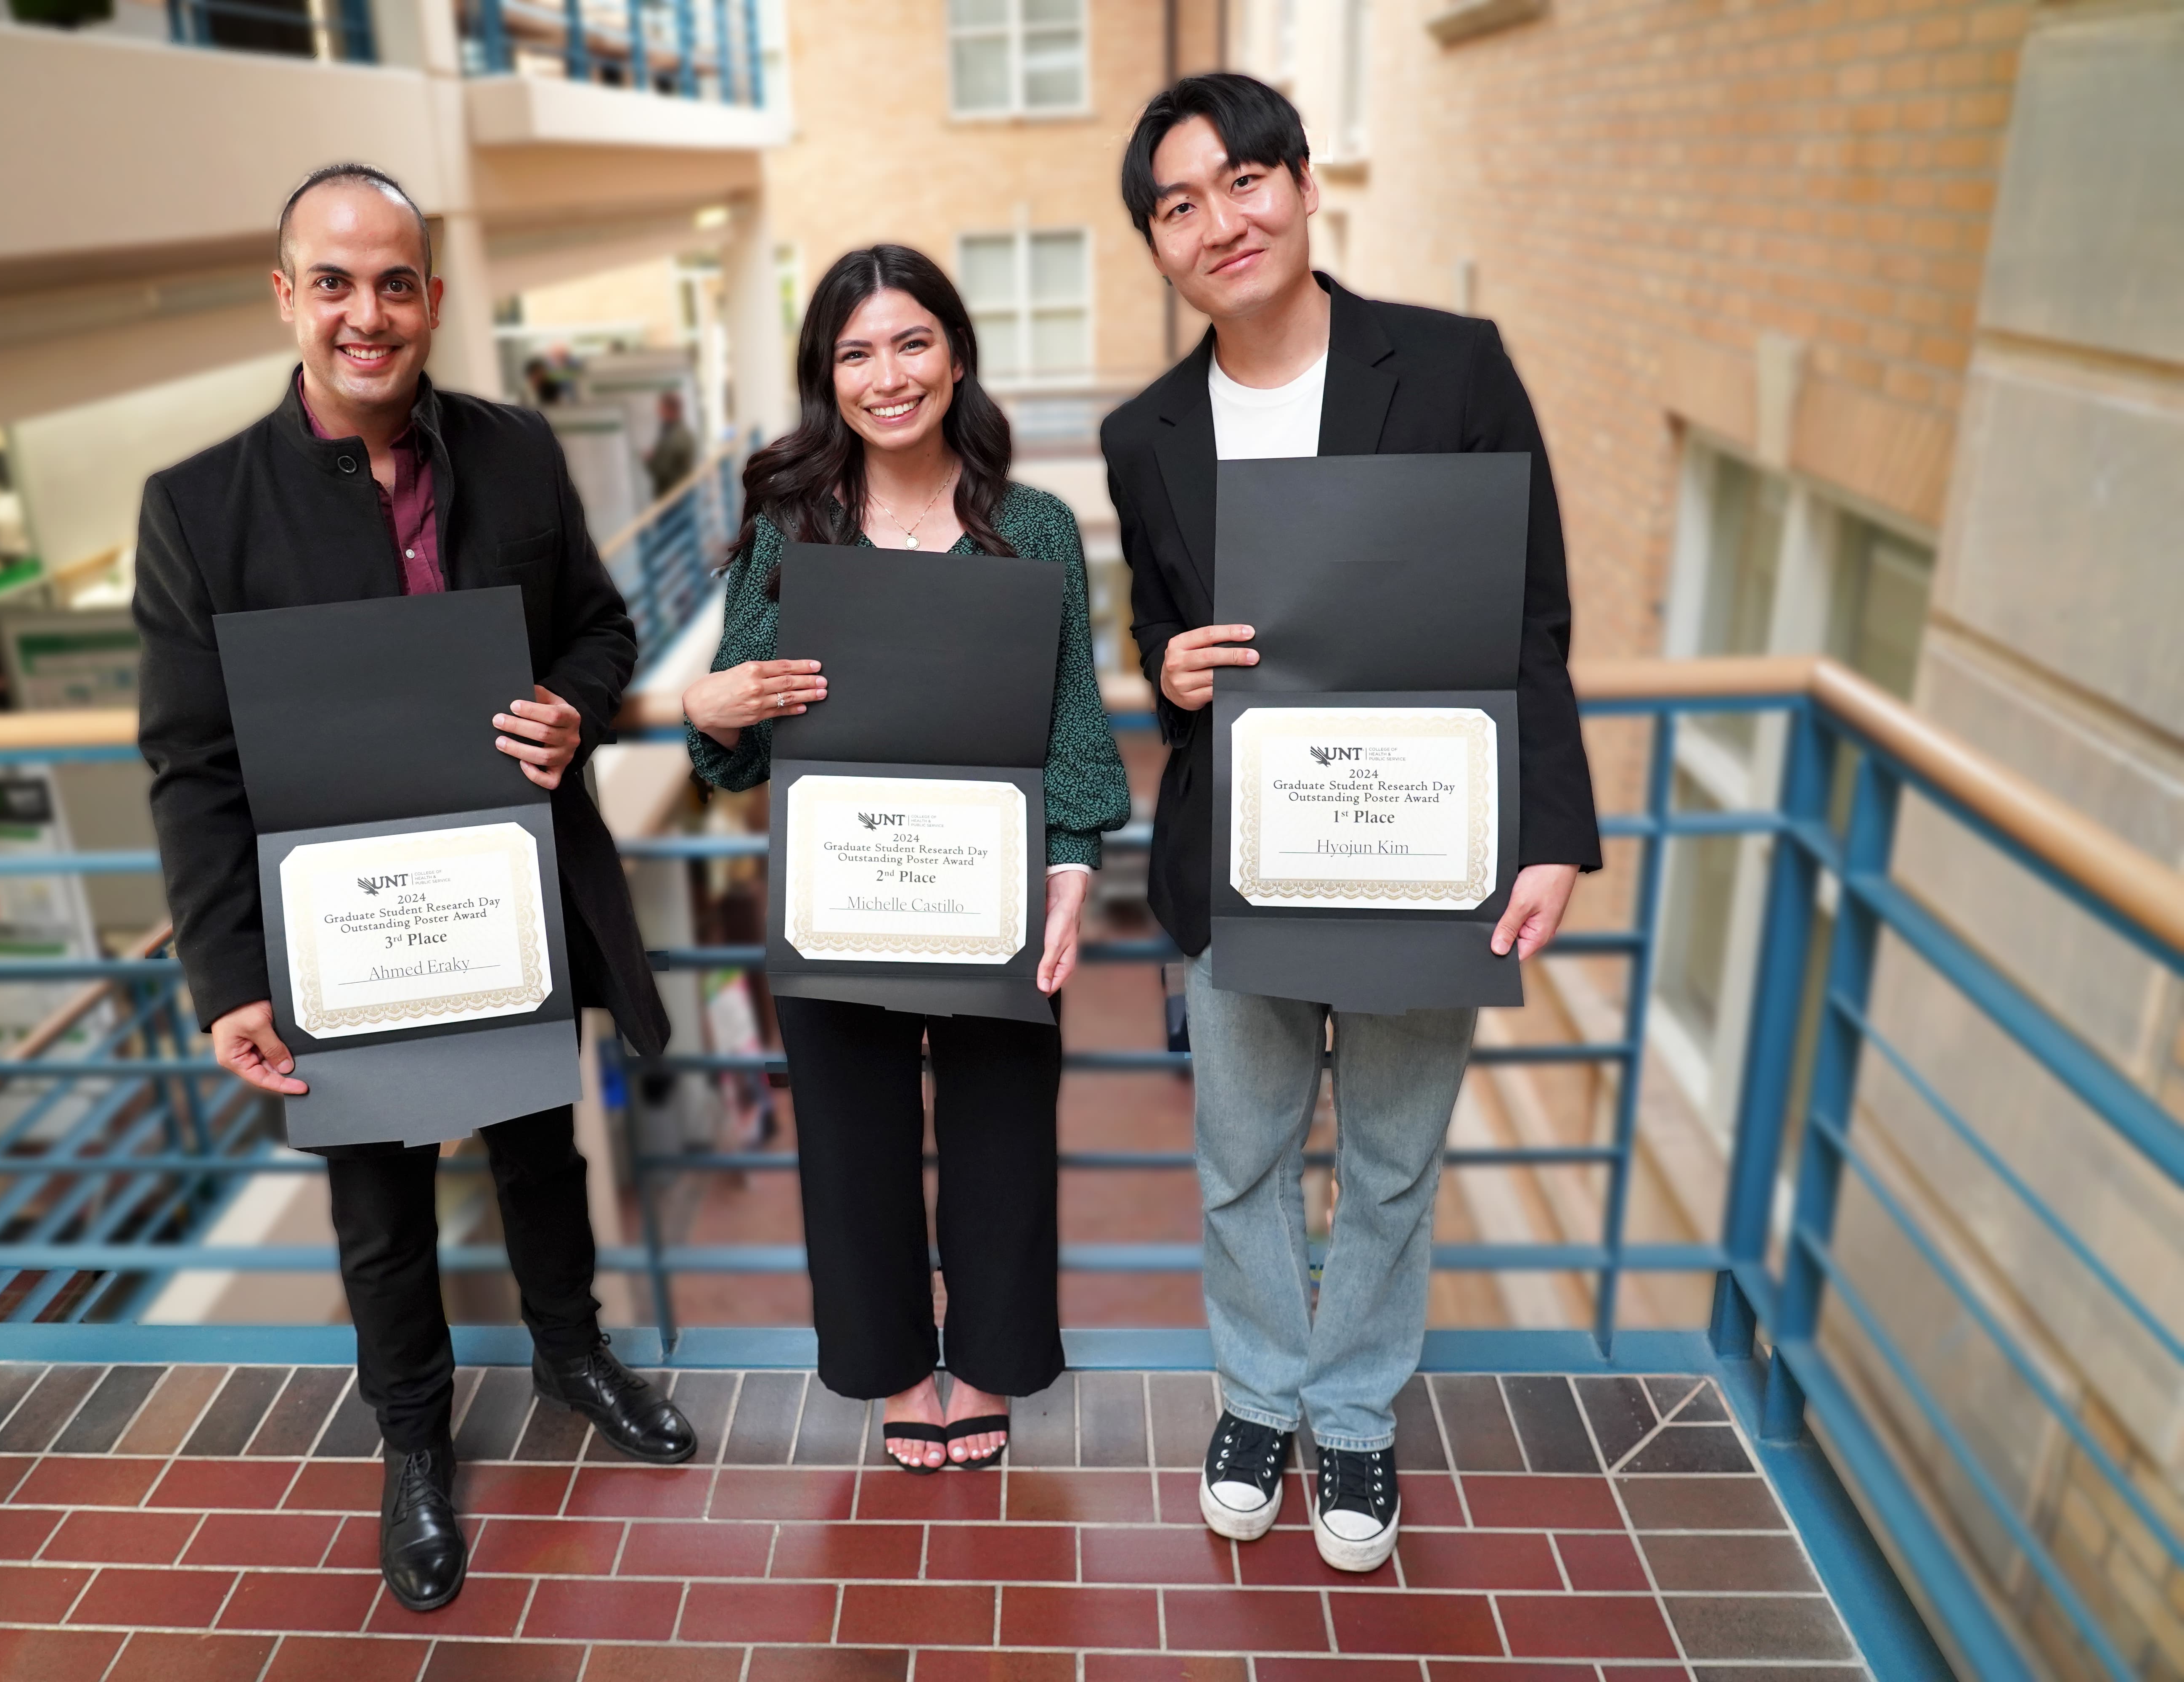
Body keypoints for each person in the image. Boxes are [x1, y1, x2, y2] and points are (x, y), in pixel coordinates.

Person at [133, 162, 691, 1616]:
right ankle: (414, 1446)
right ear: (287, 299)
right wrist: (229, 981)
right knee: (375, 1197)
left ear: (433, 300)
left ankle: (573, 1357)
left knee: (538, 1147)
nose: (365, 314)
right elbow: (190, 765)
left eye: (394, 282)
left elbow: (604, 630)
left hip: (507, 887)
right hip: (337, 925)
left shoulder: (514, 455)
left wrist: (575, 705)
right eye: (334, 282)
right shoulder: (200, 510)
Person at [1102, 76, 1602, 1570]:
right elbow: (1159, 627)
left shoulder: (1450, 368)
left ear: (1305, 188)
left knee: (1388, 1153)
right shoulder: (1147, 432)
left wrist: (1552, 829)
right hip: (1249, 850)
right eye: (1178, 205)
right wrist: (1169, 671)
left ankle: (1361, 1415)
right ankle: (1259, 1395)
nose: (1218, 222)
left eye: (1243, 181)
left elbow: (1532, 612)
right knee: (1243, 1153)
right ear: (1157, 243)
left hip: (1422, 841)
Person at [682, 246, 1130, 1473]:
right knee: (848, 1139)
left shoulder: (1029, 525)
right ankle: (889, 1369)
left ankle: (985, 1358)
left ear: (955, 352)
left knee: (999, 1130)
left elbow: (1073, 719)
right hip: (838, 895)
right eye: (856, 353)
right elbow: (735, 737)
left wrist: (1072, 872)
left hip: (989, 896)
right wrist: (704, 703)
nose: (888, 376)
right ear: (827, 378)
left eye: (911, 342)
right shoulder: (791, 524)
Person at [644, 390, 698, 499]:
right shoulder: (675, 432)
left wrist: (650, 460)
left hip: (674, 498)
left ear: (670, 410)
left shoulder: (676, 437)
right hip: (678, 496)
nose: (659, 412)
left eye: (662, 409)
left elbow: (662, 469)